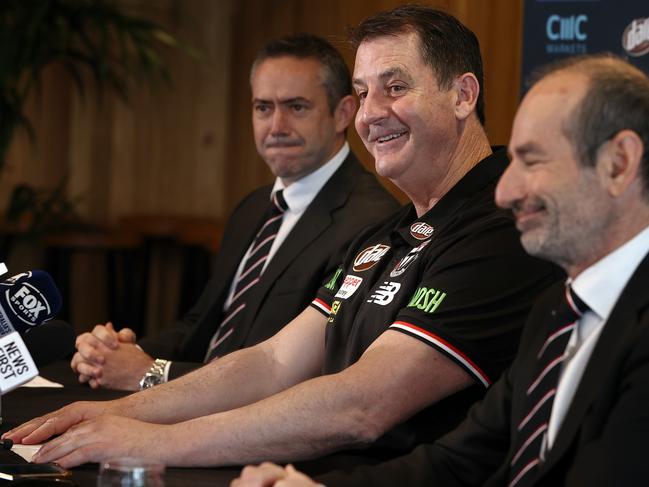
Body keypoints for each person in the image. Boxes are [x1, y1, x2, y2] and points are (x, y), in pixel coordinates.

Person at [4, 6, 558, 470]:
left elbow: (362, 406)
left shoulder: (504, 224)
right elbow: (271, 361)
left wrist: (157, 442)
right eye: (364, 93)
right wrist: (121, 413)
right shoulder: (389, 229)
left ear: (463, 95)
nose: (371, 115)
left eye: (396, 88)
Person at [233, 53, 649, 486]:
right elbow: (458, 462)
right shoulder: (557, 311)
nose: (505, 192)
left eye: (532, 161)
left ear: (618, 163)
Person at [70, 34, 399, 391]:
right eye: (263, 108)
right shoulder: (253, 207)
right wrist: (116, 355)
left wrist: (152, 374)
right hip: (185, 406)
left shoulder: (371, 222)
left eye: (296, 107)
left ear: (343, 113)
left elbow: (307, 373)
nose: (276, 127)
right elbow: (201, 328)